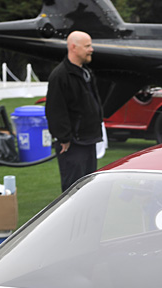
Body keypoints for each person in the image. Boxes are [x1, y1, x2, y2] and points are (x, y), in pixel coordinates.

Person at [46, 31, 103, 192]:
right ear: (73, 48)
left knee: (89, 186)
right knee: (74, 188)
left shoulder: (86, 73)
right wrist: (64, 137)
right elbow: (55, 110)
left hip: (88, 139)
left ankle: (89, 216)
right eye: (87, 46)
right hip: (73, 143)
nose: (91, 49)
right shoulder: (60, 76)